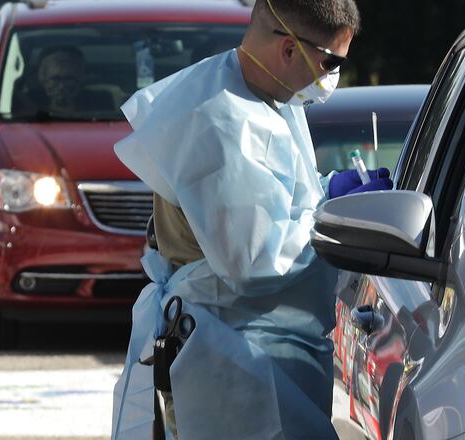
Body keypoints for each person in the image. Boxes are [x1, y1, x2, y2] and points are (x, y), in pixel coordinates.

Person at [112, 0, 391, 438]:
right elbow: (256, 258)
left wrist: (330, 188)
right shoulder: (219, 119)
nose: (331, 76)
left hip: (253, 352)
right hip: (227, 356)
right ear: (288, 50)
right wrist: (334, 216)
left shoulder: (266, 94)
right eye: (330, 61)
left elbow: (277, 192)